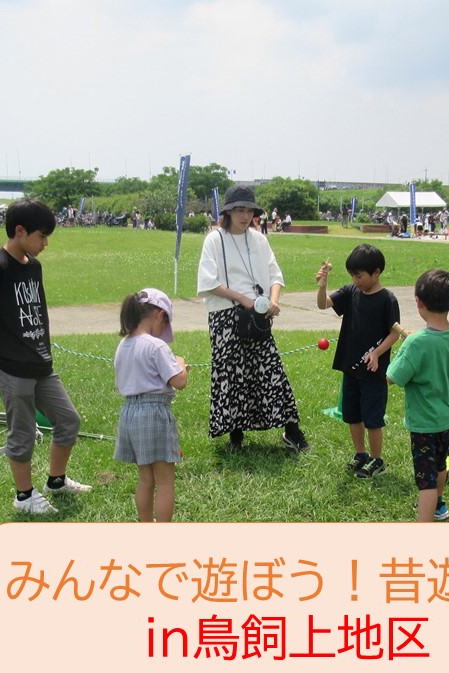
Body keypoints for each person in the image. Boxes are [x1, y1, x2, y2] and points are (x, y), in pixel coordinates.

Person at [0, 199, 91, 514]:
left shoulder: (34, 266)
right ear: (21, 231)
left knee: (68, 420)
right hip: (10, 368)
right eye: (42, 236)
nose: (45, 243)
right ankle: (24, 497)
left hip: (39, 363)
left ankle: (56, 481)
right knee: (23, 432)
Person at [196, 185, 309, 453]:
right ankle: (235, 435)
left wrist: (274, 300)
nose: (245, 216)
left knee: (271, 370)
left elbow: (275, 275)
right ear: (228, 211)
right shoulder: (214, 239)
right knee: (231, 374)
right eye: (239, 210)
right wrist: (242, 299)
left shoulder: (259, 239)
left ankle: (292, 430)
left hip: (257, 315)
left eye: (249, 210)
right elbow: (208, 282)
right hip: (225, 315)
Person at [316, 244, 401, 478]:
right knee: (352, 414)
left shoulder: (387, 300)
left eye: (360, 275)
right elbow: (323, 304)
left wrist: (377, 353)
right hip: (351, 368)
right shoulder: (350, 291)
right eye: (352, 275)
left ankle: (376, 459)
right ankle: (360, 454)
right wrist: (322, 286)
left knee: (373, 418)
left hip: (373, 371)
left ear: (376, 272)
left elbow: (394, 333)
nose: (355, 280)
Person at [386, 269, 449, 522]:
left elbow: (393, 377)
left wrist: (405, 350)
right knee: (440, 465)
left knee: (425, 481)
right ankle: (439, 505)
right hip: (446, 417)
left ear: (418, 302)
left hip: (424, 424)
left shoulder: (416, 343)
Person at [114, 288, 188, 522]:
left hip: (129, 412)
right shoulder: (156, 346)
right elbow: (179, 381)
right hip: (153, 413)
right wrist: (180, 364)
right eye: (165, 323)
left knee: (146, 479)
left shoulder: (123, 344)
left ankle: (146, 526)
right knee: (165, 481)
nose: (163, 331)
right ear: (159, 315)